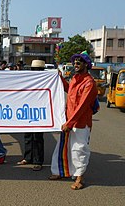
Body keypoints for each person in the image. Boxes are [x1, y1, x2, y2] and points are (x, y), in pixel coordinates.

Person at [49, 51, 97, 190]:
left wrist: (70, 123)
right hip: (68, 120)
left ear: (86, 65)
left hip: (80, 123)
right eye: (75, 62)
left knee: (78, 150)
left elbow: (82, 106)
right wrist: (60, 79)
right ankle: (59, 172)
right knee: (62, 147)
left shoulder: (89, 83)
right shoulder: (75, 78)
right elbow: (68, 90)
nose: (75, 64)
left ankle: (79, 178)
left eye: (79, 62)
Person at [17, 60, 45, 171]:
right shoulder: (28, 79)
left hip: (40, 112)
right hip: (28, 110)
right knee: (28, 136)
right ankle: (28, 158)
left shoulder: (46, 80)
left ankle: (38, 161)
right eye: (34, 69)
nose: (36, 71)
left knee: (38, 137)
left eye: (38, 69)